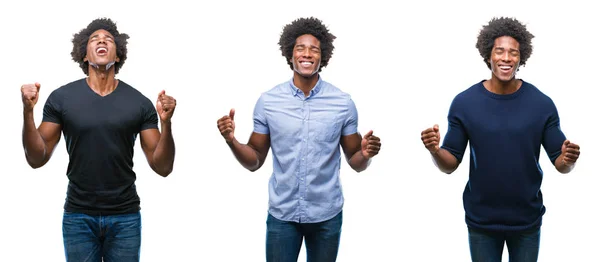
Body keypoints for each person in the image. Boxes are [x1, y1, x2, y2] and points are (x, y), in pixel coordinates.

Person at [217, 17, 381, 262]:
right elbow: (255, 161)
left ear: (322, 56)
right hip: (283, 215)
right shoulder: (268, 102)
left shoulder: (343, 103)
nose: (307, 53)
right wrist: (232, 141)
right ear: (289, 54)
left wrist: (366, 154)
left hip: (326, 215)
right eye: (300, 48)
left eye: (314, 49)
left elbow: (355, 161)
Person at [420, 17, 580, 262]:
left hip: (526, 220)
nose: (506, 58)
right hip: (481, 221)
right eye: (500, 51)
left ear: (521, 57)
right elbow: (450, 164)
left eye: (513, 53)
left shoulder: (541, 104)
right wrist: (434, 150)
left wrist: (569, 159)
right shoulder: (465, 103)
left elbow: (560, 163)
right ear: (488, 55)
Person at [20, 18, 176, 262]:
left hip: (125, 217)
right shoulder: (62, 98)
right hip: (78, 217)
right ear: (84, 55)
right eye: (94, 39)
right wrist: (28, 112)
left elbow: (163, 166)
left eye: (109, 39)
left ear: (118, 55)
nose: (102, 40)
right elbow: (36, 158)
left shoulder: (139, 103)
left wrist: (166, 124)